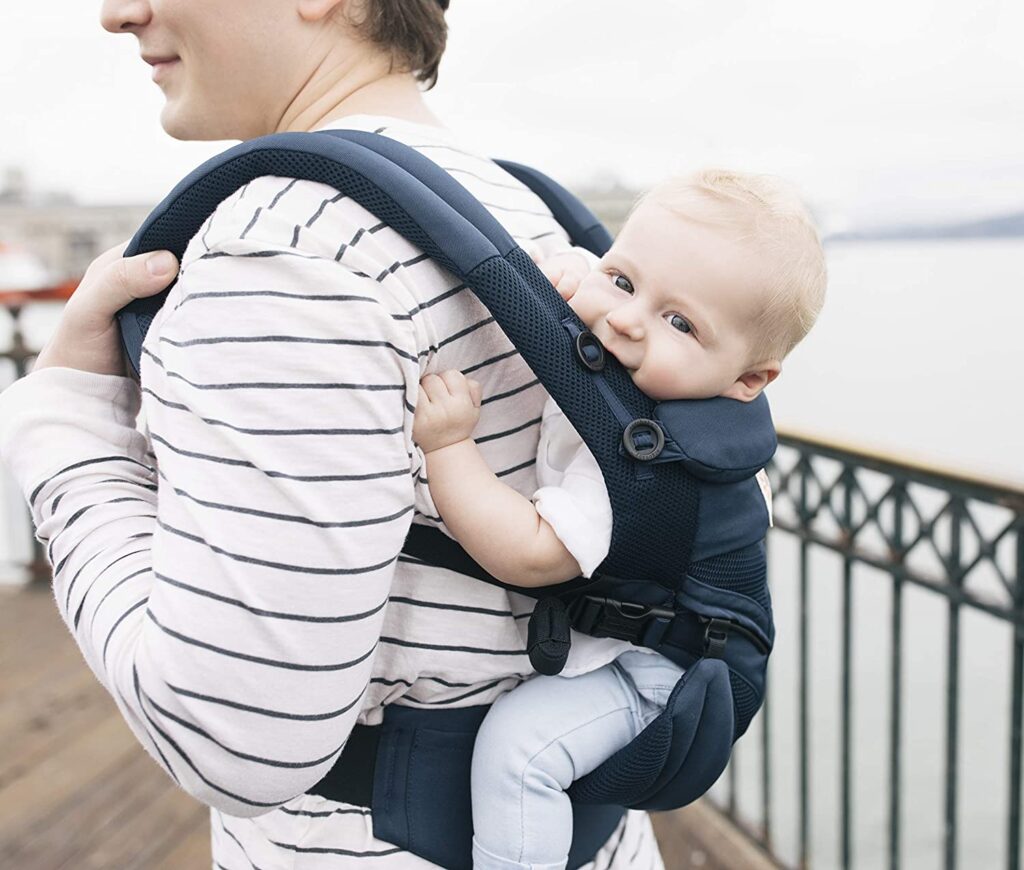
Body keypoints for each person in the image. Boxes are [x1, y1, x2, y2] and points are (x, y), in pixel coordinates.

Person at [0, 0, 666, 866]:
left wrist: (69, 429)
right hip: (583, 831)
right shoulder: (527, 210)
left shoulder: (280, 256)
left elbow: (237, 742)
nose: (117, 13)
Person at [412, 169, 827, 870]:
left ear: (748, 379)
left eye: (680, 323)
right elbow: (593, 290)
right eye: (626, 281)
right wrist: (577, 274)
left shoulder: (653, 470)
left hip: (655, 674)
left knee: (520, 753)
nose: (628, 321)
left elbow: (531, 552)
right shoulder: (636, 367)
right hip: (634, 636)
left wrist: (449, 448)